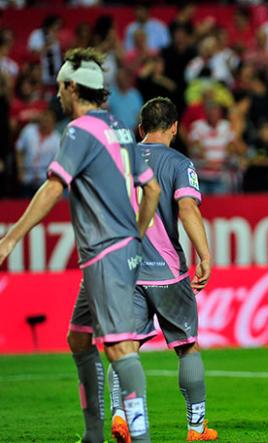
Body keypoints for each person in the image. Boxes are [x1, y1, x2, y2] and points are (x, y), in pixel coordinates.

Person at [0, 48, 161, 442]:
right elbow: (151, 187)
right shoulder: (119, 127)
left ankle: (140, 438)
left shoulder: (79, 130)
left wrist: (10, 237)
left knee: (120, 348)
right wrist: (136, 234)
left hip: (107, 251)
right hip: (114, 251)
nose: (56, 94)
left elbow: (54, 186)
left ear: (73, 87)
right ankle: (93, 435)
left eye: (59, 87)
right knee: (79, 338)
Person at [106, 97, 217, 442]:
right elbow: (187, 209)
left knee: (124, 346)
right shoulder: (179, 163)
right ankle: (196, 429)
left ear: (140, 129)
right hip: (167, 271)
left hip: (125, 268)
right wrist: (205, 255)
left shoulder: (119, 159)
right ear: (174, 127)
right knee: (187, 346)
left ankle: (120, 415)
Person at [15, 109, 60, 197]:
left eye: (48, 120)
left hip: (44, 180)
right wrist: (20, 170)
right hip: (27, 177)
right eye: (43, 119)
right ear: (39, 120)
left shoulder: (57, 139)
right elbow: (19, 150)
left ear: (53, 122)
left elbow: (57, 162)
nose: (45, 123)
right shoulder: (28, 131)